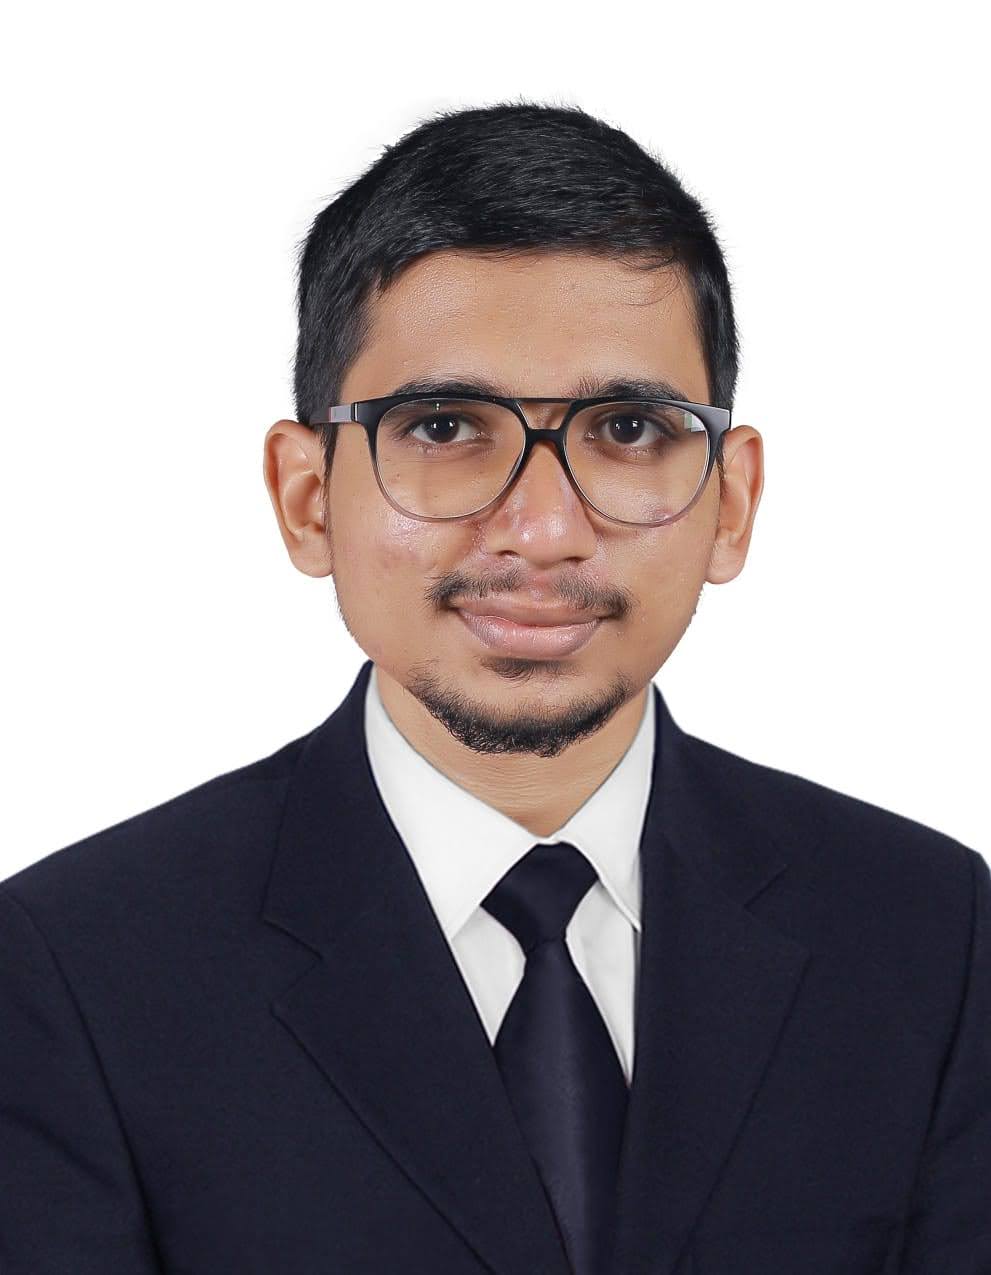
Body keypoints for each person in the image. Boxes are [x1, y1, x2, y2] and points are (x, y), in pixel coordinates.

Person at [1, 102, 987, 1275]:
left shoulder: (931, 935)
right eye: (443, 426)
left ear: (730, 503)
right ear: (307, 498)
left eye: (629, 427)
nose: (542, 528)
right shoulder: (73, 969)